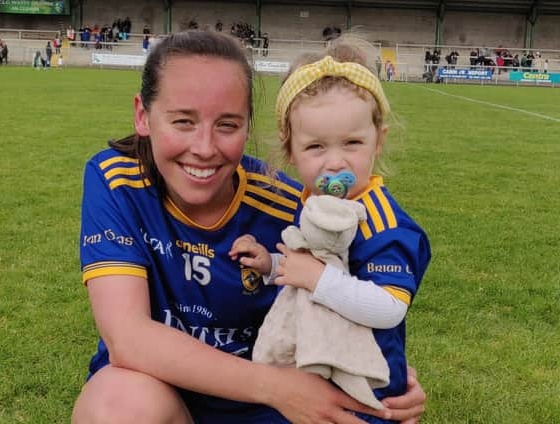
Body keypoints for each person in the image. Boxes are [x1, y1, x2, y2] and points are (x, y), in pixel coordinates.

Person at [72, 30, 426, 424]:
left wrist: (391, 386)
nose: (204, 148)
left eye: (227, 125)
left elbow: (364, 302)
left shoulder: (302, 208)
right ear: (143, 115)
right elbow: (128, 338)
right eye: (183, 121)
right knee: (115, 405)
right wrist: (275, 386)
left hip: (265, 412)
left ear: (248, 127)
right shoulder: (117, 181)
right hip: (173, 393)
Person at [230, 36, 430, 423]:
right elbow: (317, 259)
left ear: (378, 142)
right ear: (291, 150)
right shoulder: (313, 202)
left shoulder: (380, 220)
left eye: (352, 143)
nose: (335, 162)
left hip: (367, 384)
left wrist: (317, 279)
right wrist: (272, 265)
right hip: (321, 366)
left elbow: (389, 307)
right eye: (316, 147)